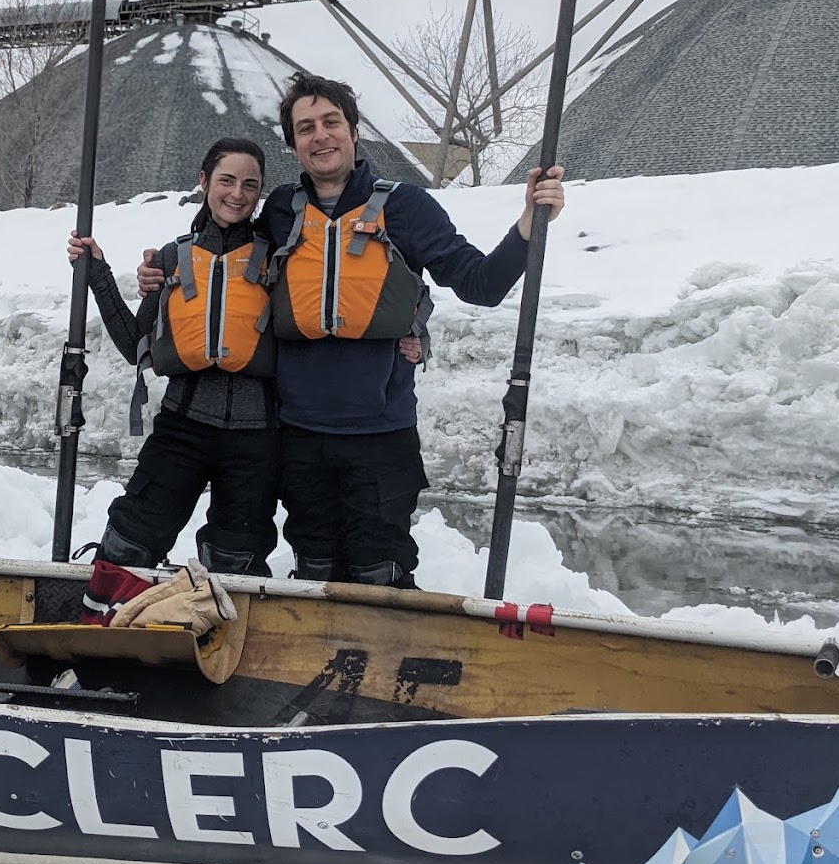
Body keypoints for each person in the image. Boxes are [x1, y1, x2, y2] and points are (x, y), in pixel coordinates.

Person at [139, 75, 565, 590]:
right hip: (299, 435)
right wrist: (158, 273)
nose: (320, 136)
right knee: (315, 572)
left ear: (354, 130)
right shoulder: (277, 211)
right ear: (293, 144)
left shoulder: (406, 206)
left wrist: (528, 224)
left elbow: (481, 284)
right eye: (305, 128)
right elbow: (221, 256)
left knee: (377, 575)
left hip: (380, 435)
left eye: (330, 122)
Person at [68, 137, 280, 578]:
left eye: (249, 184)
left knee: (234, 564)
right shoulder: (171, 258)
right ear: (204, 181)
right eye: (226, 180)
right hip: (182, 428)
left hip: (256, 439)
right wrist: (99, 275)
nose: (237, 194)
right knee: (127, 544)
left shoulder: (277, 259)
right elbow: (135, 345)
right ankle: (108, 632)